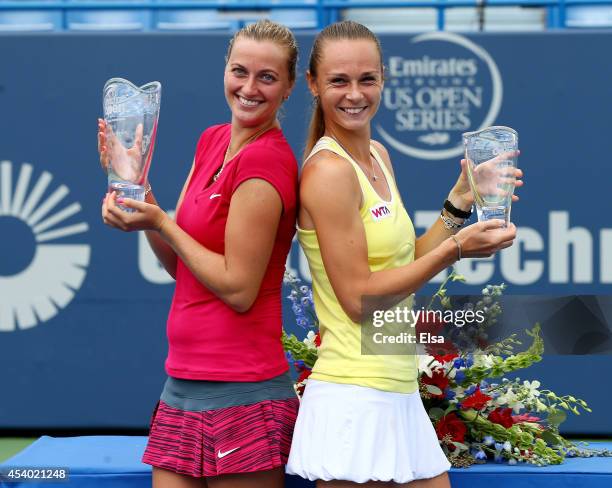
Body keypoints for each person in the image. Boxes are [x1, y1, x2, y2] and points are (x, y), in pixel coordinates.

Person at [286, 21, 522, 487]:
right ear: (313, 84)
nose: (355, 94)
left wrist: (458, 202)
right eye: (339, 81)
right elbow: (359, 300)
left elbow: (403, 264)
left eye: (367, 79)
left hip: (395, 392)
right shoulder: (329, 172)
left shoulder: (376, 154)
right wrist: (456, 250)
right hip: (355, 396)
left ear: (383, 80)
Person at [97, 20, 300, 488]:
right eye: (239, 71)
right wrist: (138, 188)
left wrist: (161, 219)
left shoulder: (266, 161)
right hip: (180, 389)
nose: (249, 88)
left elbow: (238, 289)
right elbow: (180, 265)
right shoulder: (211, 140)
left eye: (267, 77)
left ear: (289, 87)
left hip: (244, 394)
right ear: (224, 71)